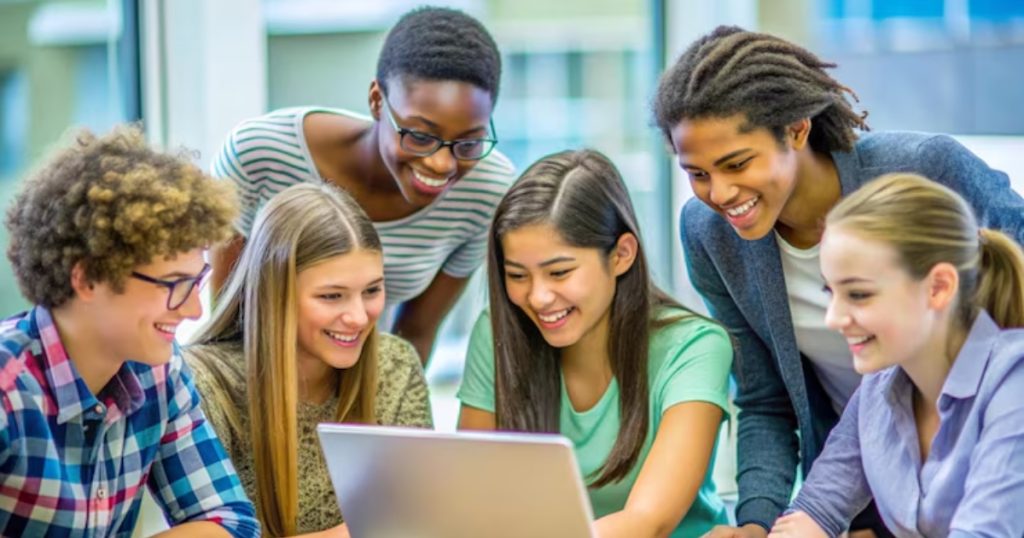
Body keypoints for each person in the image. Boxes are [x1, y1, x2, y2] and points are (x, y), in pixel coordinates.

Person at [651, 25, 1024, 537]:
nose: (718, 193)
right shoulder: (881, 391)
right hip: (879, 486)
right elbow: (766, 400)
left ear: (796, 130)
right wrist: (757, 524)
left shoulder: (923, 170)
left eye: (737, 163)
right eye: (696, 173)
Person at [211, 6, 516, 364]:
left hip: (364, 382)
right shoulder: (259, 155)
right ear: (376, 100)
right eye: (420, 135)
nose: (442, 163)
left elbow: (413, 338)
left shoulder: (486, 191)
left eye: (468, 143)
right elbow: (226, 319)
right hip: (257, 376)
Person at [457, 149, 733, 537]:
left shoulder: (694, 347)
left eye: (559, 272)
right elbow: (472, 492)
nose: (538, 298)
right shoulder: (498, 332)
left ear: (621, 255)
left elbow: (649, 522)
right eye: (517, 275)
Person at [0, 126, 259, 537]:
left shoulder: (159, 369)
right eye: (173, 285)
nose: (193, 310)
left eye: (196, 282)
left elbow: (231, 522)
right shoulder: (8, 389)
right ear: (86, 279)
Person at [768, 173, 1024, 537]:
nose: (833, 318)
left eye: (858, 294)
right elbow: (815, 512)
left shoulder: (1014, 380)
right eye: (831, 292)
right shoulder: (879, 389)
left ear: (938, 287)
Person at [185, 182, 432, 538]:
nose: (359, 317)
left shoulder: (396, 363)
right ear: (274, 294)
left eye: (372, 291)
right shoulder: (202, 384)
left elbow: (419, 519)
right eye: (332, 296)